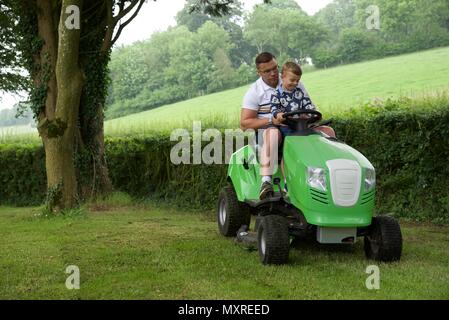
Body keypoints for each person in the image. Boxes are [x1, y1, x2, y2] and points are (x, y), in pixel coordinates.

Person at [240, 53, 335, 200]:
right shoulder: (255, 92)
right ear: (259, 72)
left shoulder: (293, 82)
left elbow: (307, 105)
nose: (273, 73)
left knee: (328, 131)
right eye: (267, 71)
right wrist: (272, 120)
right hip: (270, 132)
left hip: (298, 127)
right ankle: (266, 182)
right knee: (274, 133)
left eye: (275, 68)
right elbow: (245, 124)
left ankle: (329, 176)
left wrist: (310, 117)